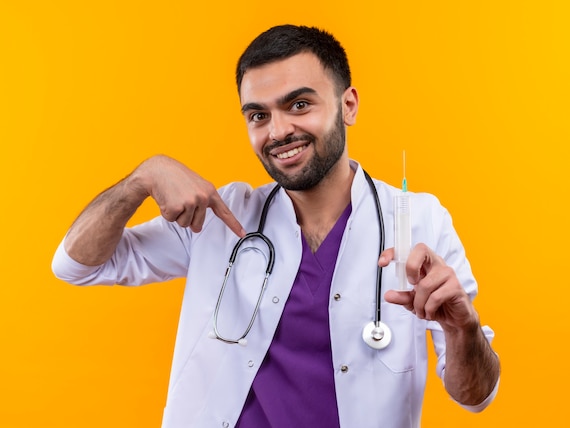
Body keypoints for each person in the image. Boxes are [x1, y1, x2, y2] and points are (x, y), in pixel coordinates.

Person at [52, 24, 500, 428]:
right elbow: (75, 265)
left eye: (299, 104)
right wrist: (141, 179)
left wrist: (464, 329)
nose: (278, 131)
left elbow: (475, 396)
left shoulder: (419, 222)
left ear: (349, 105)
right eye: (258, 115)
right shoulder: (220, 217)